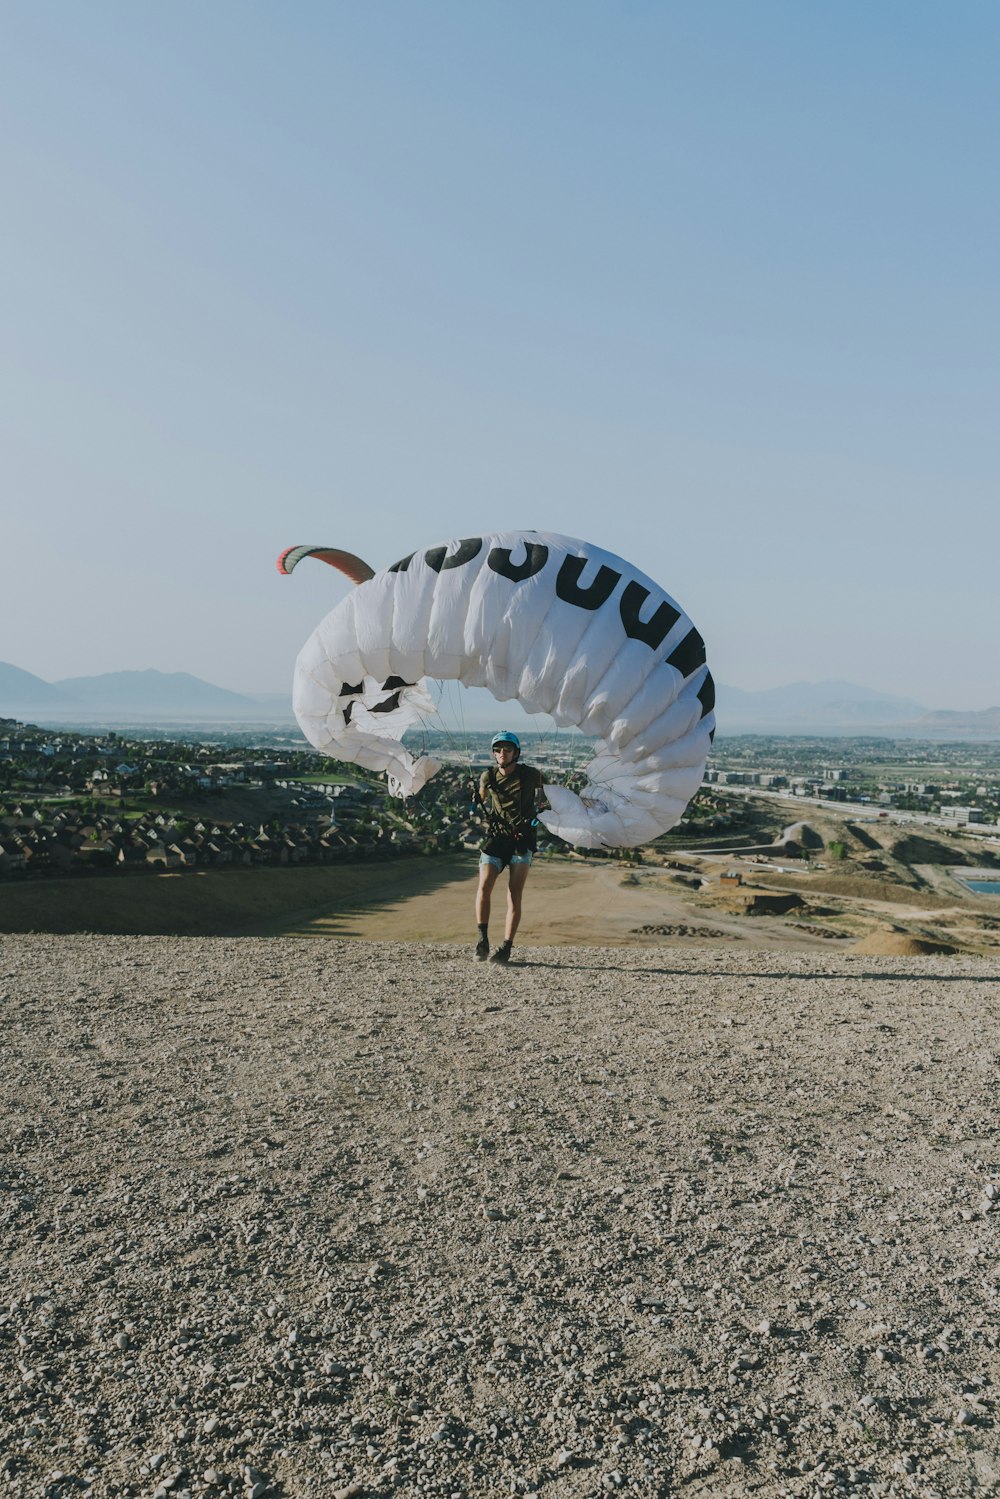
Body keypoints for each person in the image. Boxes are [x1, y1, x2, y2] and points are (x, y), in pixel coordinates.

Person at [471, 730, 545, 964]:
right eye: (498, 749)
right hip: (497, 838)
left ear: (516, 752)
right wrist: (476, 799)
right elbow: (481, 798)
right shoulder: (488, 776)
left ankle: (506, 947)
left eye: (507, 749)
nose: (502, 753)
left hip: (523, 841)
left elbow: (548, 796)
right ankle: (482, 940)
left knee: (514, 894)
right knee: (484, 886)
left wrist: (541, 813)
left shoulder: (531, 775)